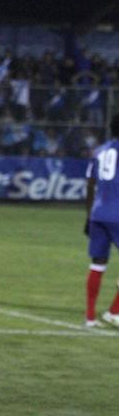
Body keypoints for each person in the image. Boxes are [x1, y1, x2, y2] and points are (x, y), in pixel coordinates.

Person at [82, 113, 119, 328]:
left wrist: (88, 216)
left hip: (98, 214)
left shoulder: (99, 151)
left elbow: (90, 185)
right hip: (118, 215)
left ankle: (89, 318)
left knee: (97, 264)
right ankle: (114, 312)